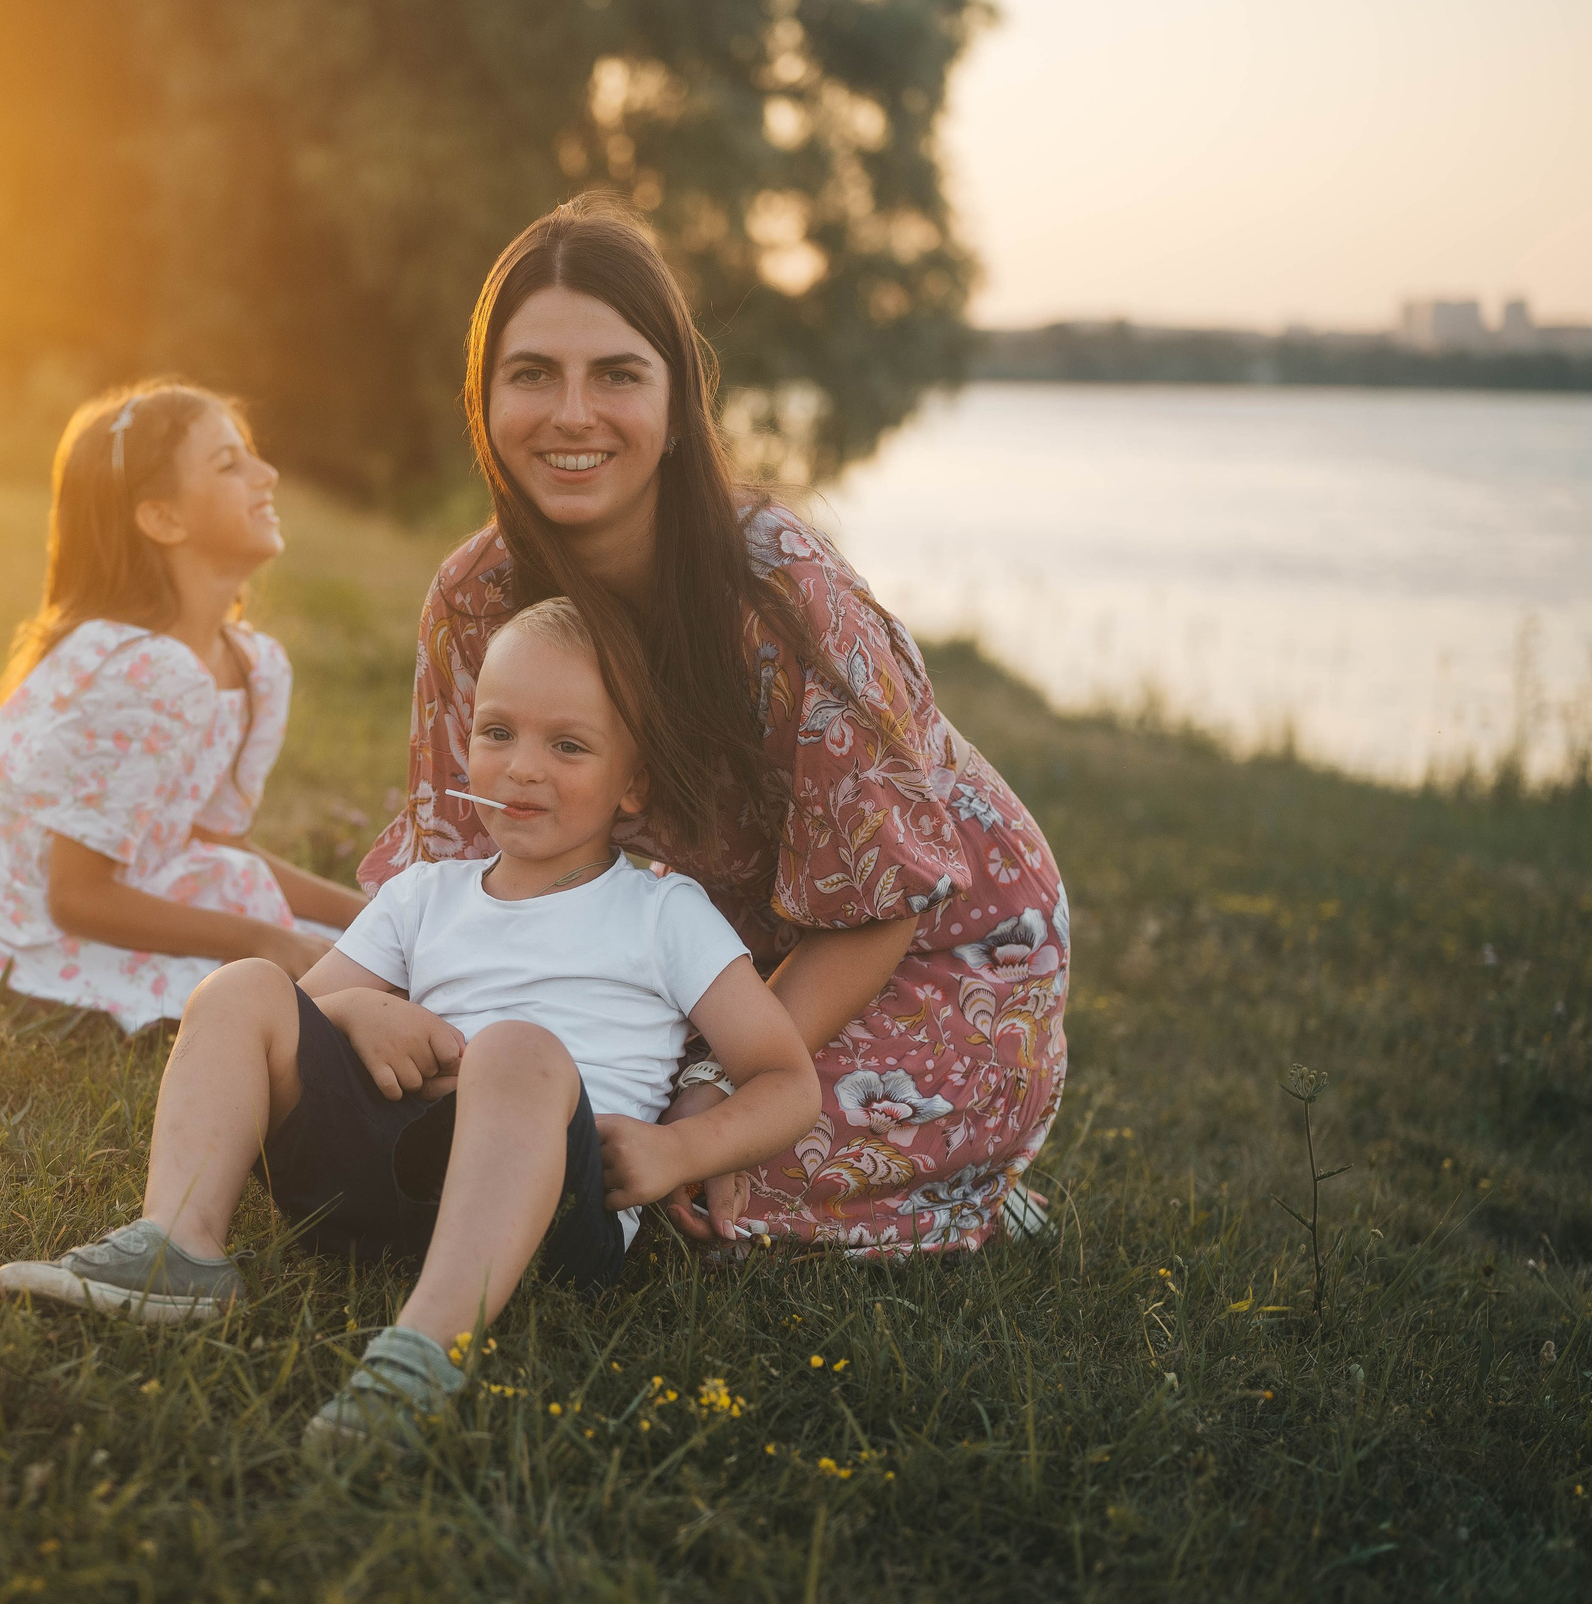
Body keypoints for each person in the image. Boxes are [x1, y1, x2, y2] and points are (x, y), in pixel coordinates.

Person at [361, 195, 1070, 1258]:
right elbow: (464, 863)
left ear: (680, 403)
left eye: (617, 375)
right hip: (687, 954)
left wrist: (710, 1088)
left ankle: (967, 1179)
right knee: (506, 1134)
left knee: (673, 1182)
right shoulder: (475, 599)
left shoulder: (783, 594)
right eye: (532, 374)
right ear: (484, 396)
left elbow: (880, 906)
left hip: (924, 953)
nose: (571, 414)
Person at [0, 597, 825, 1448]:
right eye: (498, 732)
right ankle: (180, 1241)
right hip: (376, 1171)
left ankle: (425, 1345)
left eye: (568, 746)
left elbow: (787, 1080)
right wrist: (359, 1010)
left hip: (549, 1211)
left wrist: (679, 1151)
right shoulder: (425, 893)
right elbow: (296, 1021)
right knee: (245, 987)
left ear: (633, 782)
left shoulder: (663, 912)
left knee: (517, 1048)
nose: (521, 768)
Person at [0, 382, 364, 1032]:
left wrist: (367, 914)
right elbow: (75, 896)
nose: (267, 474)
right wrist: (263, 940)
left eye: (251, 455)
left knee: (352, 956)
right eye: (230, 464)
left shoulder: (254, 666)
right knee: (297, 998)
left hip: (153, 881)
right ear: (163, 519)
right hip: (46, 920)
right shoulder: (144, 673)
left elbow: (216, 841)